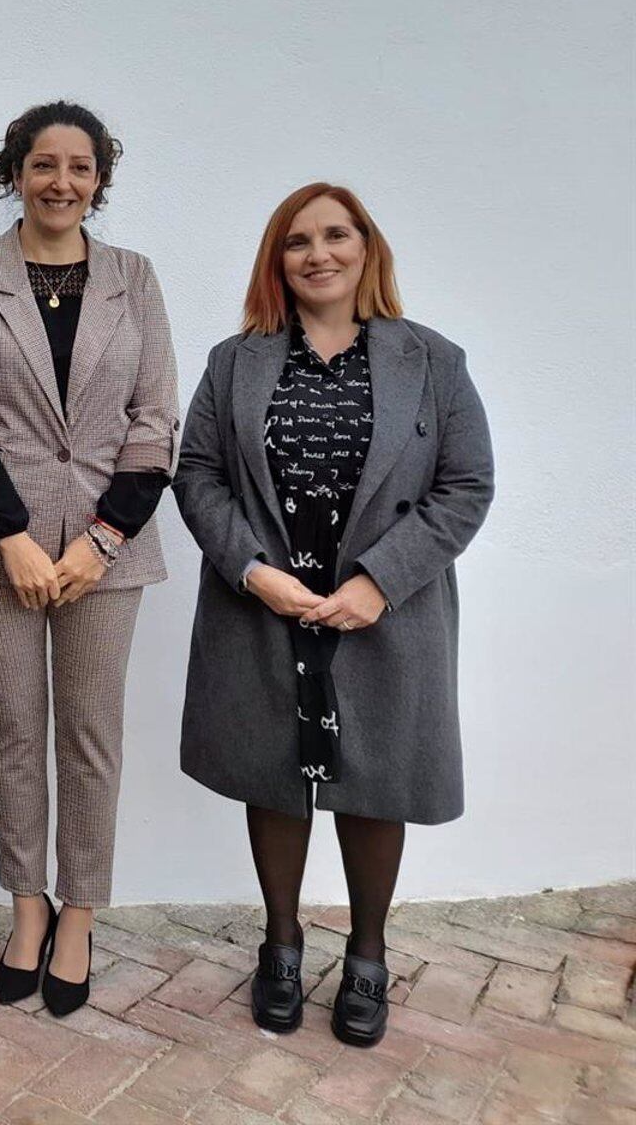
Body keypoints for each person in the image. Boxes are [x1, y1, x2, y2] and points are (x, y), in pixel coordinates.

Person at [174, 182, 493, 1048]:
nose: (318, 254)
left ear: (366, 248)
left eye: (335, 235)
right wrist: (251, 570)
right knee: (272, 773)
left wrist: (382, 581)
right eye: (297, 241)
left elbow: (466, 487)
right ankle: (281, 942)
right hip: (268, 602)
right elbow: (196, 475)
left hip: (380, 609)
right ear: (276, 261)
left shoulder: (433, 360)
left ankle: (368, 952)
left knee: (374, 776)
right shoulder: (233, 361)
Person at [0, 102, 178, 1017]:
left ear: (100, 178)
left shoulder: (135, 279)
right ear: (14, 174)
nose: (61, 182)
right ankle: (25, 904)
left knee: (89, 734)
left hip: (110, 546)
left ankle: (80, 910)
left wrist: (102, 540)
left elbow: (156, 425)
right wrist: (17, 540)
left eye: (80, 167)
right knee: (15, 729)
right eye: (43, 165)